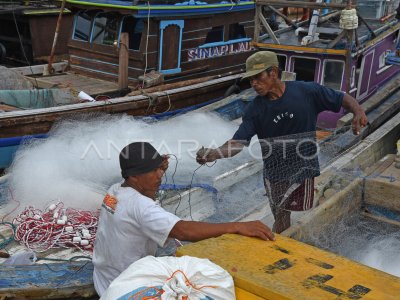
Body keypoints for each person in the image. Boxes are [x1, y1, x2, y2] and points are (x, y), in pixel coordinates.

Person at [196, 51, 368, 234]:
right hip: (275, 171)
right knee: (281, 215)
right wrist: (213, 154)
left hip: (303, 166)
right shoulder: (255, 109)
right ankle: (279, 245)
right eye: (250, 79)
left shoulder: (306, 92)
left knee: (295, 209)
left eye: (257, 77)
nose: (253, 83)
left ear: (273, 72)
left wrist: (358, 111)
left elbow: (341, 98)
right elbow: (238, 143)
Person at [93, 142, 274, 296]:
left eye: (160, 168)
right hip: (125, 287)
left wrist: (154, 172)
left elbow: (140, 207)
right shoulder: (141, 207)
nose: (160, 175)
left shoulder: (115, 190)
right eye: (153, 171)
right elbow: (183, 230)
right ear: (133, 176)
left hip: (103, 276)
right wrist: (236, 226)